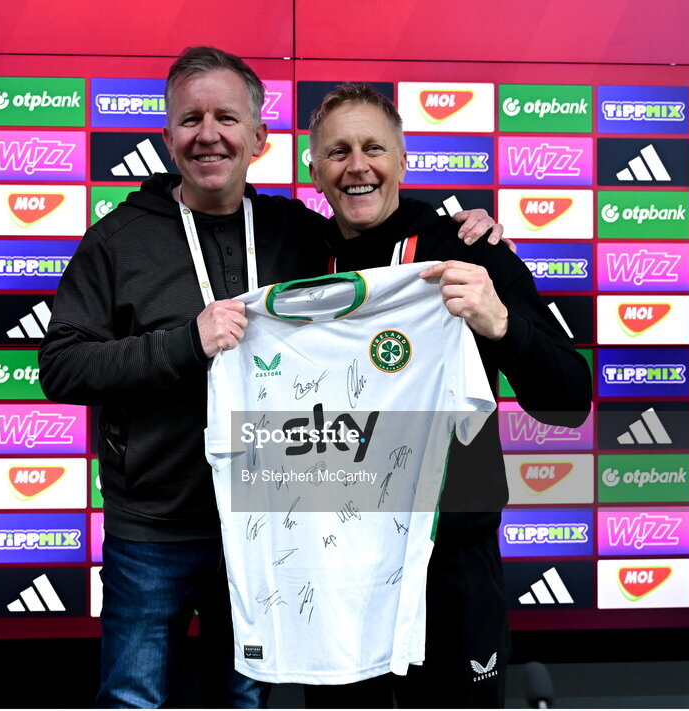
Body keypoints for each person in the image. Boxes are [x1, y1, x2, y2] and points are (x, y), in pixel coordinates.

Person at [39, 49, 501, 708]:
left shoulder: (300, 234)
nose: (208, 134)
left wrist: (464, 233)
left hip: (271, 525)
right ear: (167, 135)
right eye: (189, 118)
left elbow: (380, 241)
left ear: (258, 139)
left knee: (246, 700)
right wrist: (183, 344)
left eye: (226, 117)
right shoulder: (116, 241)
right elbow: (61, 365)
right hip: (156, 528)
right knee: (132, 696)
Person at [302, 83, 593, 708]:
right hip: (336, 572)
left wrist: (501, 325)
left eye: (374, 148)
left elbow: (570, 400)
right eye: (338, 152)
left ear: (403, 160)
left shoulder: (467, 250)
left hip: (451, 564)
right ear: (314, 170)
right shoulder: (294, 258)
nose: (357, 166)